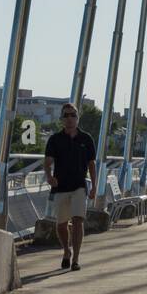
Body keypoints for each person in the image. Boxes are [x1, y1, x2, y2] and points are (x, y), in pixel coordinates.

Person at [43, 102, 97, 272]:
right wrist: (49, 176)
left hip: (79, 185)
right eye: (66, 115)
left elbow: (91, 164)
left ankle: (76, 259)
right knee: (61, 224)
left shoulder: (86, 139)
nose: (69, 118)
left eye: (72, 115)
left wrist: (94, 186)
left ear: (77, 118)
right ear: (61, 119)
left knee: (78, 220)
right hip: (61, 187)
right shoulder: (55, 139)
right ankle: (66, 250)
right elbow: (48, 161)